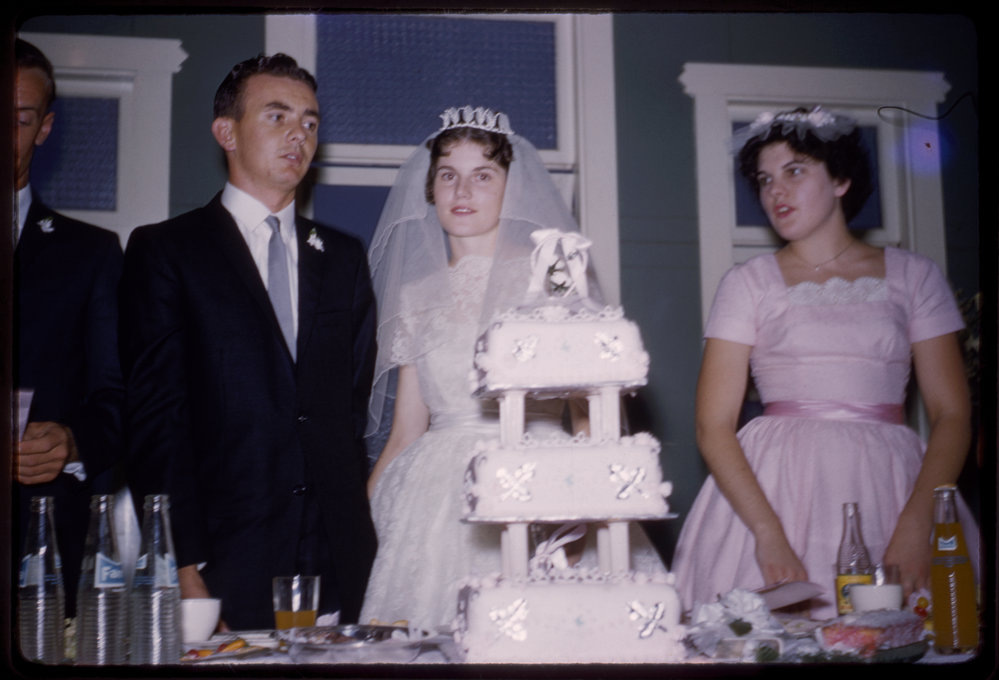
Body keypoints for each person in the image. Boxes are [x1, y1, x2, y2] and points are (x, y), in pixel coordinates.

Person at [360, 106, 667, 631]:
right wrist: (356, 525)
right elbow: (406, 431)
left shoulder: (548, 281)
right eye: (448, 175)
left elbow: (588, 414)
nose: (462, 191)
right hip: (434, 500)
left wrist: (578, 520)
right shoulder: (414, 296)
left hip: (543, 482)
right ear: (429, 188)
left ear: (511, 188)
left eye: (483, 176)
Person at [671, 106, 976, 619]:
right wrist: (766, 534)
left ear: (841, 179)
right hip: (773, 491)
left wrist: (919, 522)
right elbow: (712, 425)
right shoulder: (747, 284)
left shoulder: (915, 277)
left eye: (794, 171)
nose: (775, 193)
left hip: (891, 487)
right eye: (765, 180)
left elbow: (953, 415)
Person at [119, 54, 377, 630]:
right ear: (226, 132)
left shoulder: (344, 257)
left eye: (310, 122)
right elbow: (156, 420)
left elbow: (348, 411)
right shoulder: (167, 252)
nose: (298, 135)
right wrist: (181, 561)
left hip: (336, 563)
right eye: (277, 116)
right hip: (222, 566)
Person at [13, 38, 125, 618]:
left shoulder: (92, 254)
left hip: (45, 550)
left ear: (44, 128)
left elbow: (117, 400)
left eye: (21, 117)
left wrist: (72, 442)